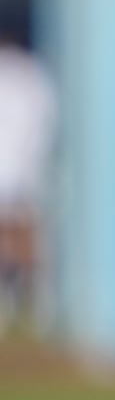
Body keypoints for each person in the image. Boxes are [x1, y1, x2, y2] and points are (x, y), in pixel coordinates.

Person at [0, 30, 56, 339]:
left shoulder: (30, 76)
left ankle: (35, 303)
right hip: (25, 169)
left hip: (23, 170)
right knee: (25, 234)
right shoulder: (35, 76)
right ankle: (31, 303)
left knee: (27, 235)